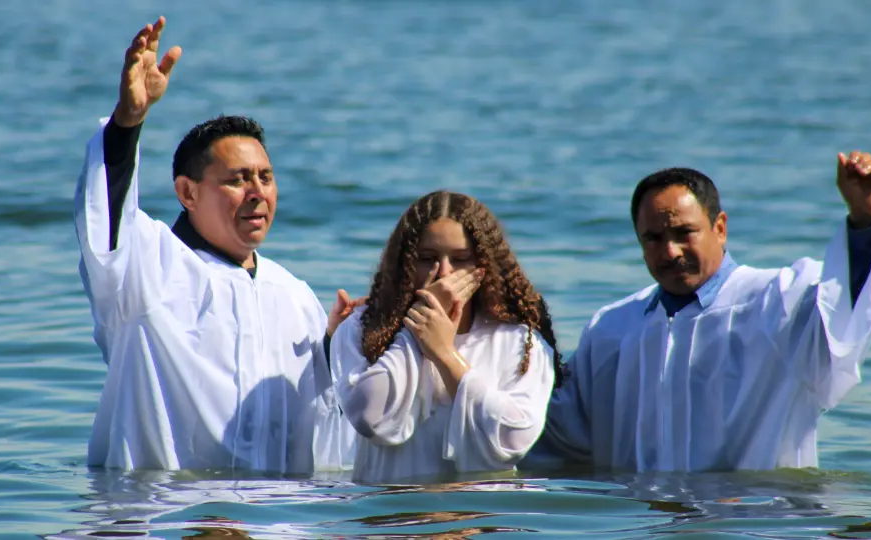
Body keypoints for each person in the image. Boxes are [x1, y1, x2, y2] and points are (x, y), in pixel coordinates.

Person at [74, 17, 358, 471]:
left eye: (265, 178)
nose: (257, 192)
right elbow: (104, 220)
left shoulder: (293, 295)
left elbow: (321, 433)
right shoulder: (147, 268)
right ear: (187, 193)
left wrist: (333, 347)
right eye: (237, 179)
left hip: (271, 519)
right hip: (161, 513)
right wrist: (129, 122)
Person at [531, 154, 871, 472]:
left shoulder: (780, 301)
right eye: (653, 238)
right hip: (642, 521)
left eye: (684, 232)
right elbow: (559, 429)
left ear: (719, 228)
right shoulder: (612, 329)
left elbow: (843, 313)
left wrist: (864, 219)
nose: (670, 251)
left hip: (760, 519)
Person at [330, 191, 560, 483]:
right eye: (428, 259)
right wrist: (415, 334)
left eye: (460, 259)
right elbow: (370, 418)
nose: (444, 272)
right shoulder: (361, 328)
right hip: (391, 521)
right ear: (407, 262)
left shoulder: (519, 341)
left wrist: (443, 353)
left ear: (483, 265)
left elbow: (513, 439)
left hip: (482, 521)